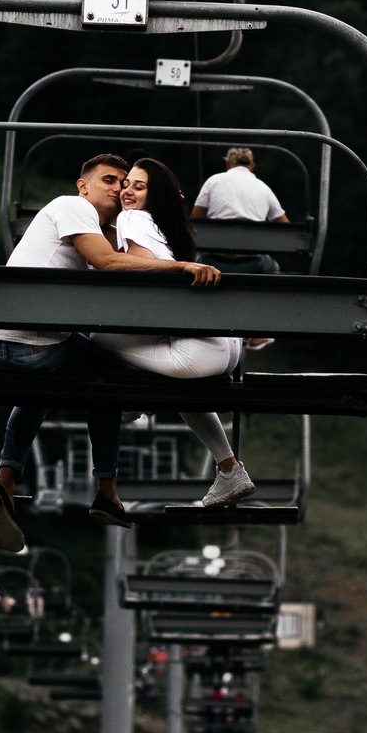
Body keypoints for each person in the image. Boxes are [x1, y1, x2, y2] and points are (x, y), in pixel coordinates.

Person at [0, 153, 221, 548]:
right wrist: (180, 268)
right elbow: (109, 263)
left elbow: (120, 263)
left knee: (47, 384)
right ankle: (107, 488)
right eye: (109, 179)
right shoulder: (71, 207)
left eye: (125, 183)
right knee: (103, 373)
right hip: (28, 346)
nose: (118, 188)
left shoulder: (94, 230)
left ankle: (5, 481)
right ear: (82, 185)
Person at [94, 159, 260, 509]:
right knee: (181, 390)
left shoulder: (132, 218)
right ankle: (230, 469)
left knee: (96, 340)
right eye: (127, 185)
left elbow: (142, 273)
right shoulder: (167, 228)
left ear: (156, 197)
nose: (127, 192)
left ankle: (130, 404)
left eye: (138, 187)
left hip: (197, 353)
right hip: (224, 349)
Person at [190, 145, 290, 276]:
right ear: (252, 166)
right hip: (254, 263)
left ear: (228, 164)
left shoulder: (213, 181)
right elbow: (285, 226)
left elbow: (196, 219)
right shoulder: (264, 188)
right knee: (273, 266)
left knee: (195, 261)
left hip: (214, 263)